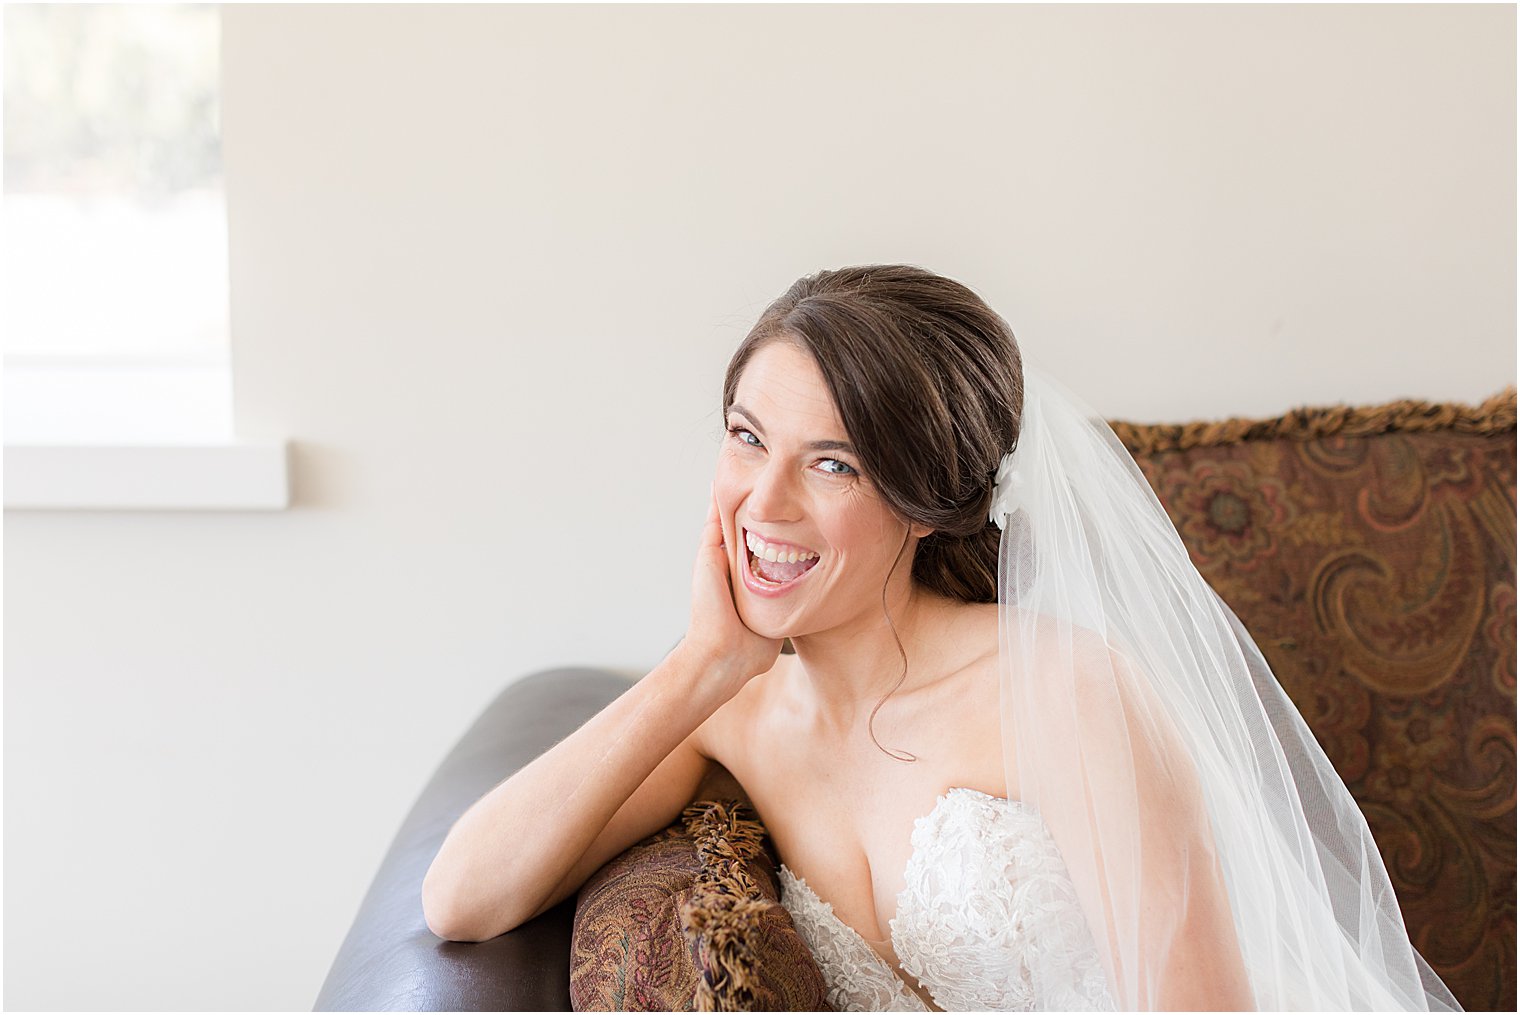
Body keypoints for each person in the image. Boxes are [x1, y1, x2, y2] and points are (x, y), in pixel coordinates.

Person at [422, 264, 1462, 1012]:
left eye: (832, 464)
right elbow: (461, 899)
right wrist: (700, 665)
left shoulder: (1057, 686)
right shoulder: (731, 713)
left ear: (925, 501)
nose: (763, 503)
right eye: (747, 438)